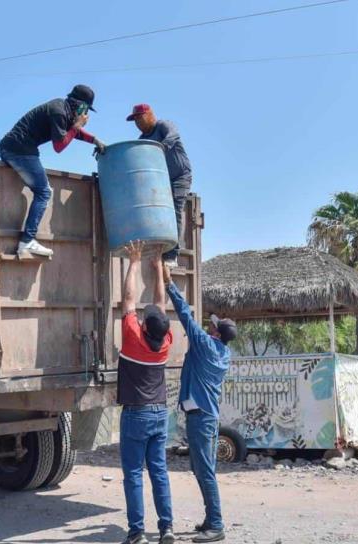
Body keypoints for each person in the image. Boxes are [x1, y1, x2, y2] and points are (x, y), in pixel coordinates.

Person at [162, 264, 237, 543]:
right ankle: (210, 518)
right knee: (200, 468)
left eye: (213, 326)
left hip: (202, 418)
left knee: (204, 471)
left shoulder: (206, 345)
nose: (210, 325)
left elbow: (185, 316)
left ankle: (216, 524)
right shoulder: (222, 353)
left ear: (216, 334)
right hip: (206, 417)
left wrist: (170, 285)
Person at [0, 84, 106, 258]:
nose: (86, 113)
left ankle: (27, 241)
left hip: (13, 148)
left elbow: (71, 133)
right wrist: (77, 126)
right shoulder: (58, 111)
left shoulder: (63, 110)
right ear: (80, 105)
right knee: (44, 192)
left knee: (41, 191)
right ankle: (27, 241)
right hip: (19, 150)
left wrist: (94, 140)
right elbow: (59, 146)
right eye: (86, 108)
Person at [117, 241, 175, 544]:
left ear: (143, 325)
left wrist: (135, 261)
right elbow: (160, 307)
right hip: (159, 412)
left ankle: (137, 532)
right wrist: (158, 271)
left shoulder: (132, 338)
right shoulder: (164, 341)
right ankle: (167, 529)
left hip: (137, 413)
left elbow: (127, 299)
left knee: (133, 475)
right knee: (159, 473)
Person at [127, 104, 192, 269]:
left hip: (180, 176)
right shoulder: (142, 140)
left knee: (175, 209)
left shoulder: (163, 125)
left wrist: (159, 148)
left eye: (139, 118)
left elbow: (174, 135)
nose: (137, 122)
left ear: (149, 115)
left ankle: (172, 255)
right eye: (134, 120)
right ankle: (155, 248)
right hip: (160, 179)